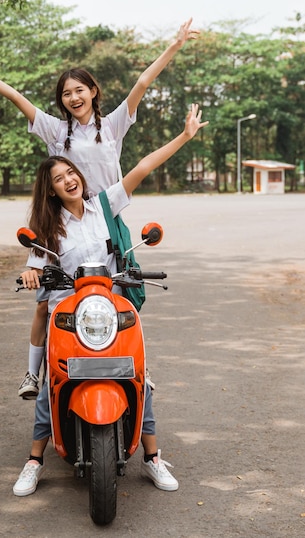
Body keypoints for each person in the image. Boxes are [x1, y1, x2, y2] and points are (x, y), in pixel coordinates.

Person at [0, 19, 199, 399]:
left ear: (93, 91)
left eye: (79, 90)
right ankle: (33, 375)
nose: (73, 97)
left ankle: (131, 365)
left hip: (105, 216)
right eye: (66, 93)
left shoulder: (112, 125)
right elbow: (16, 97)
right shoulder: (54, 130)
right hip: (63, 220)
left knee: (124, 294)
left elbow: (142, 86)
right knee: (45, 302)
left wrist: (175, 45)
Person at [13, 103, 208, 497]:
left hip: (109, 308)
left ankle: (152, 457)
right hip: (68, 311)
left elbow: (143, 167)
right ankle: (34, 460)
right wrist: (31, 273)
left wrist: (186, 137)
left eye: (71, 172)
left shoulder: (105, 204)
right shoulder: (46, 227)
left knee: (139, 376)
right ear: (49, 189)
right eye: (58, 178)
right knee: (55, 379)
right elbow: (33, 264)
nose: (68, 180)